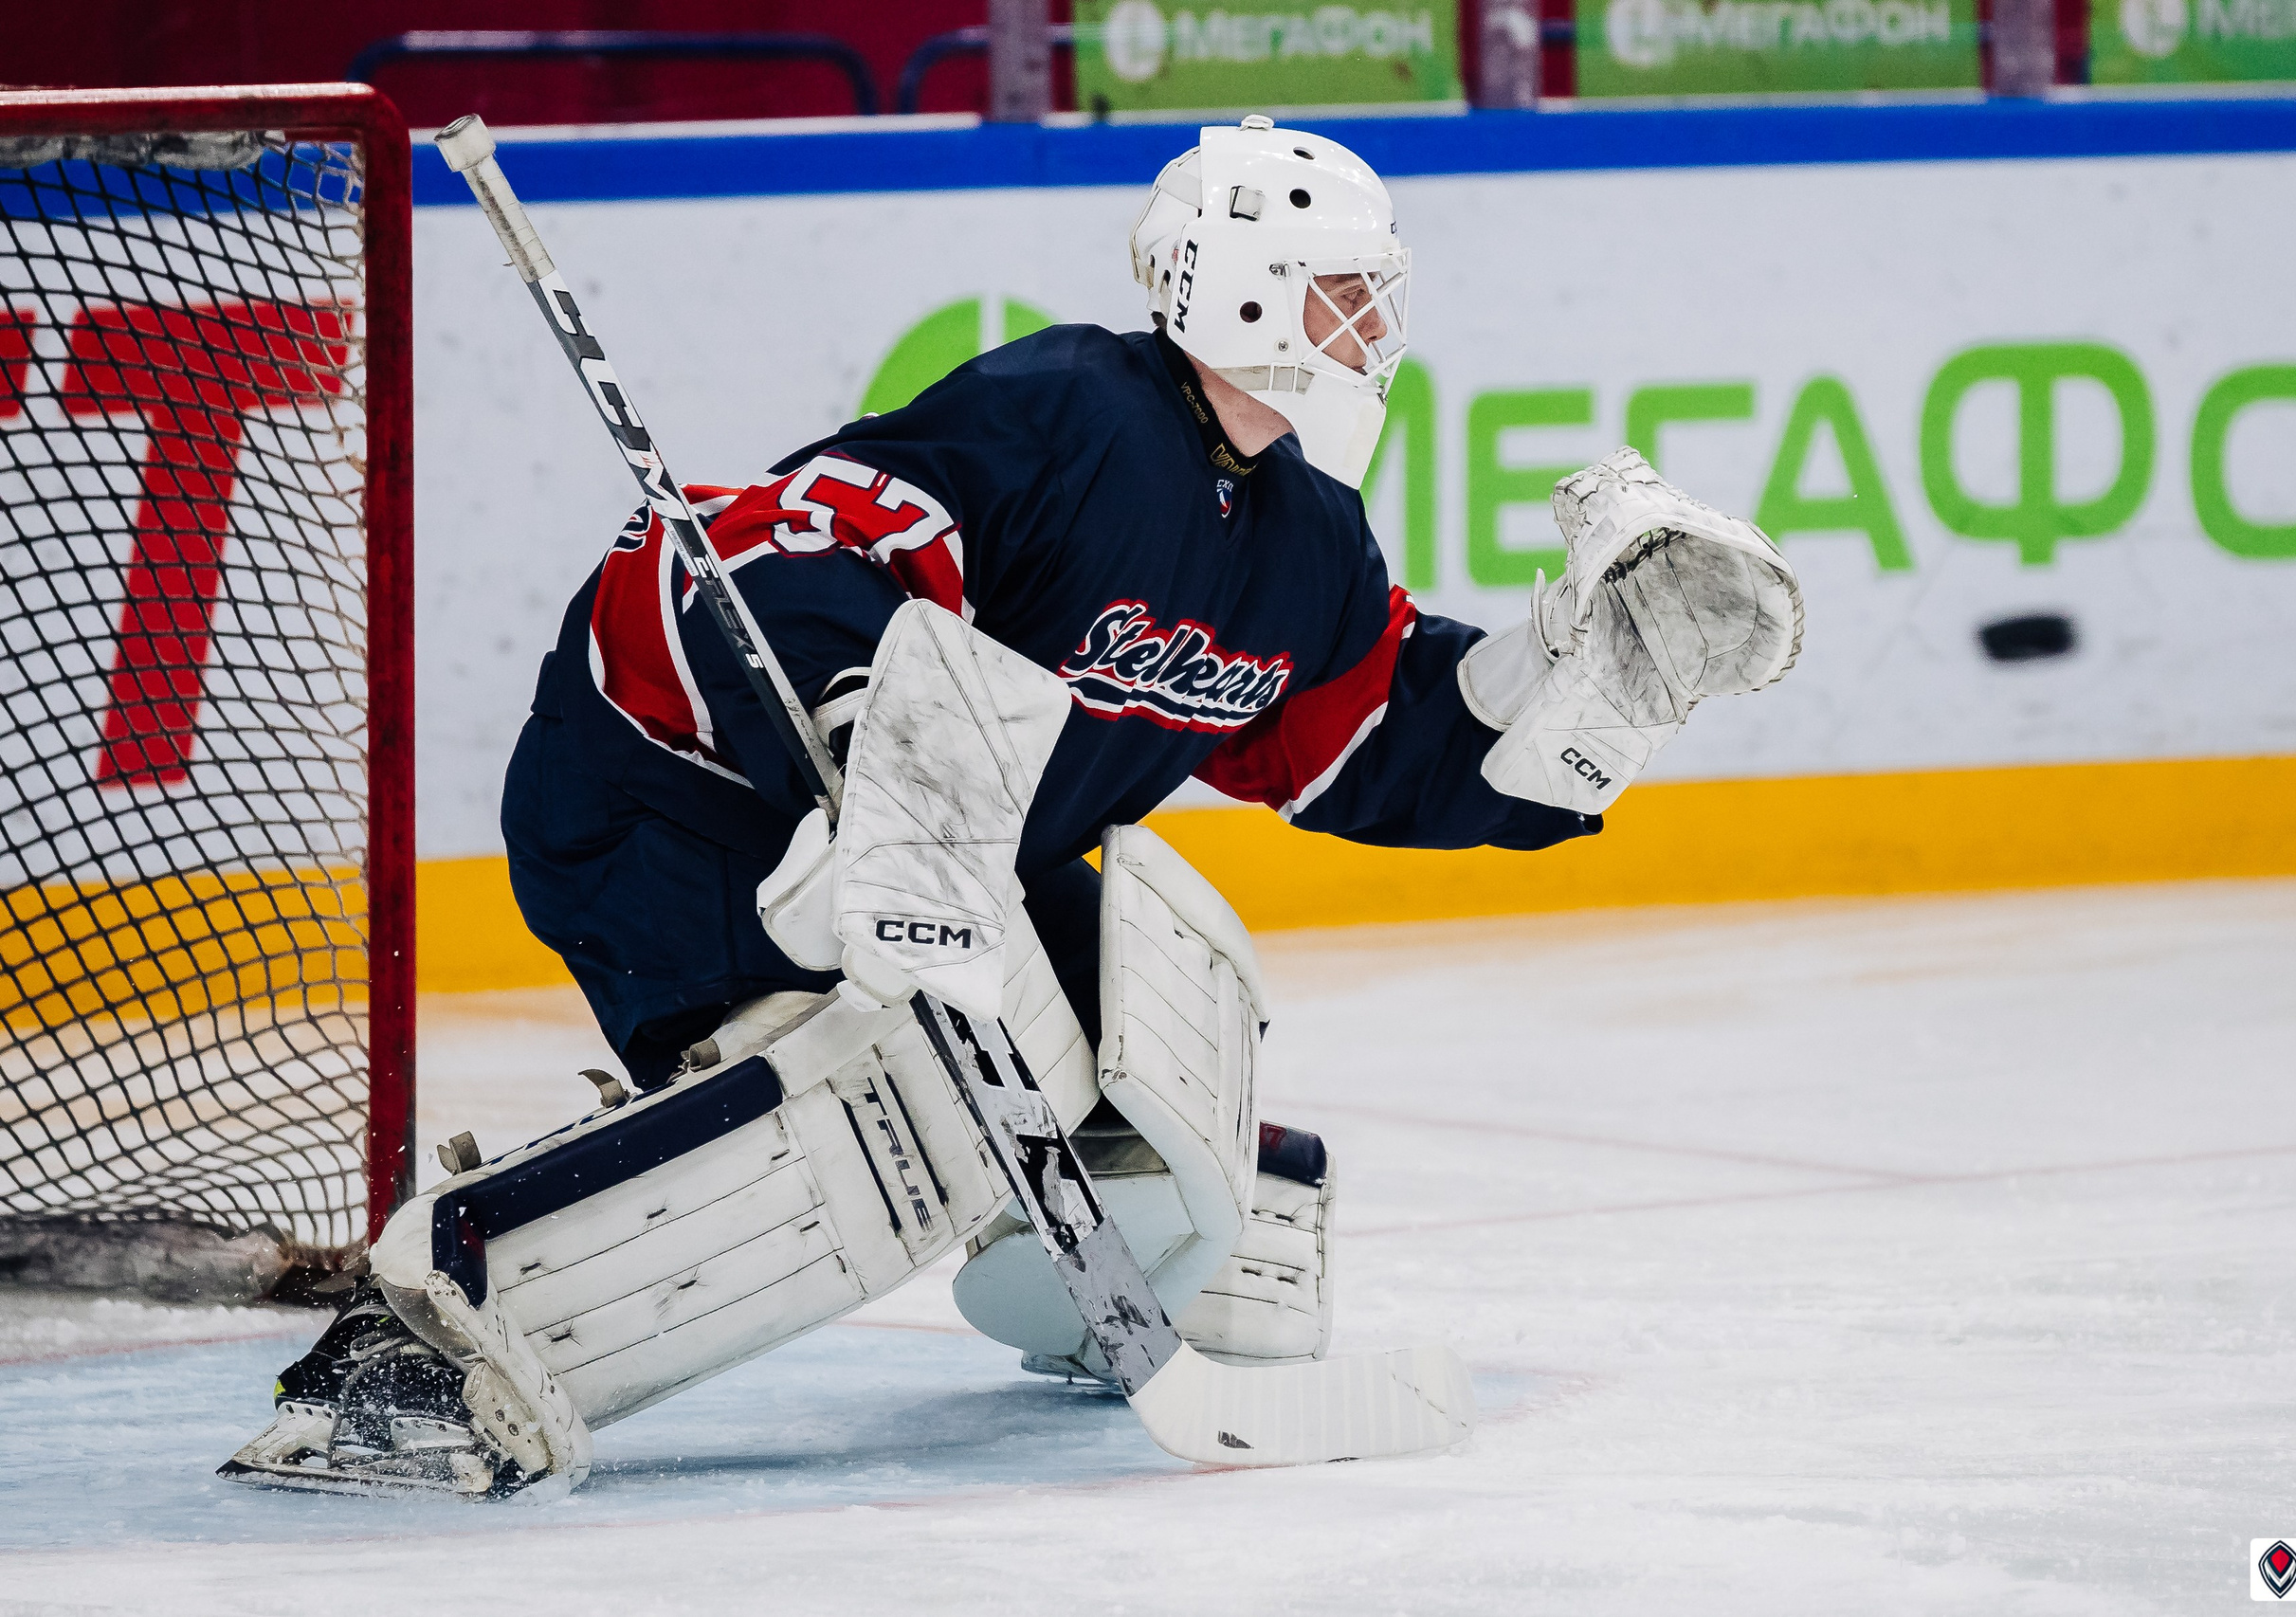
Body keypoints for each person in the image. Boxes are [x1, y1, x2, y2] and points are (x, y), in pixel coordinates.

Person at [223, 117, 1801, 1498]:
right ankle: (425, 1345)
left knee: (1190, 1091)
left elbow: (1379, 740)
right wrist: (863, 738)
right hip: (679, 802)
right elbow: (778, 551)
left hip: (941, 851)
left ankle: (1063, 1269)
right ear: (1238, 287)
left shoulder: (1306, 541)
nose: (1374, 322)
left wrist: (1575, 679)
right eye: (1344, 288)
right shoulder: (1072, 411)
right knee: (866, 1109)